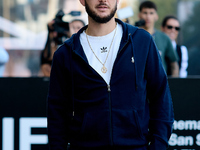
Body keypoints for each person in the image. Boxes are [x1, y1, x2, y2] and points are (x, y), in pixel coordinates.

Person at [47, 0, 174, 150]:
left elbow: (161, 97)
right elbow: (56, 113)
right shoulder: (65, 54)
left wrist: (158, 147)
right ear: (82, 1)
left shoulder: (142, 41)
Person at [138, 1, 179, 77]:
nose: (148, 17)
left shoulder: (164, 38)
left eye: (151, 13)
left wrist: (174, 84)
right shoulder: (132, 36)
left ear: (156, 16)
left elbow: (174, 63)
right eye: (145, 13)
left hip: (159, 85)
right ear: (139, 15)